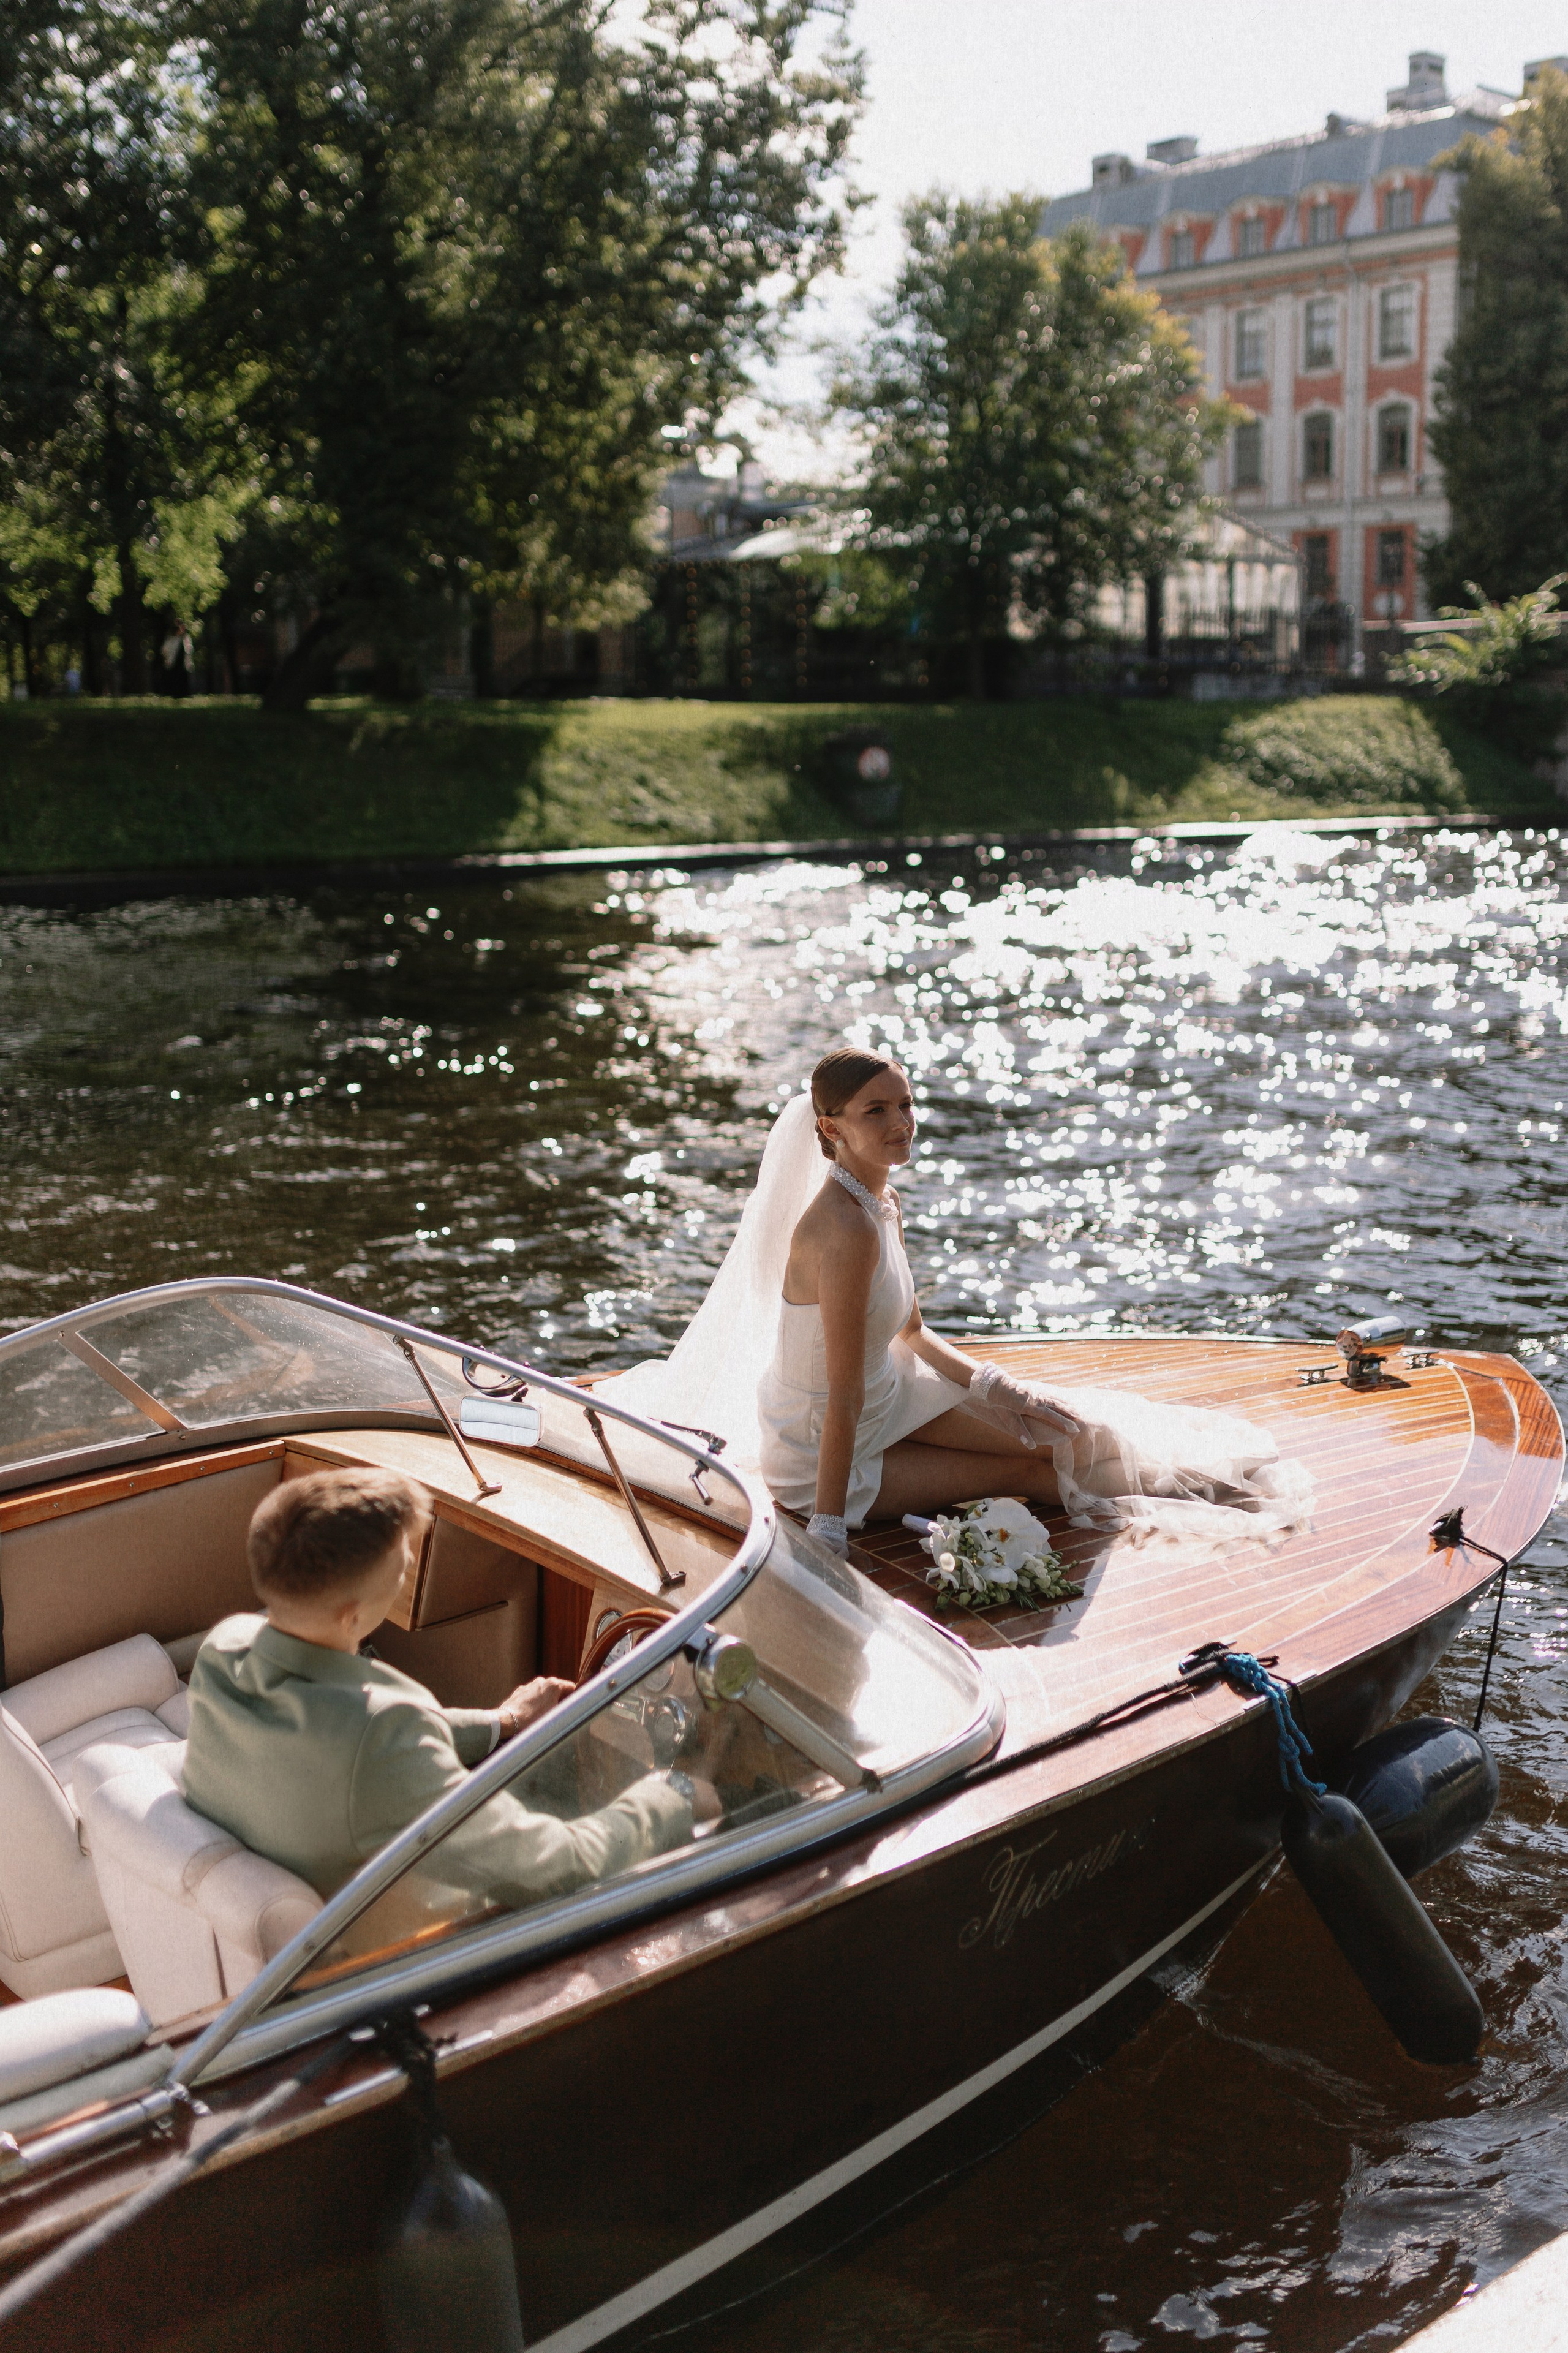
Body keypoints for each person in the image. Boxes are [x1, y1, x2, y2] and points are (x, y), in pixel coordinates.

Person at [598, 1049, 1311, 1562]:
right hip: (829, 1447)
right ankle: (1191, 1504)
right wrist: (827, 1527)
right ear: (830, 1128)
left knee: (1066, 1432)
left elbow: (910, 1330)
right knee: (1032, 1475)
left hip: (892, 1393)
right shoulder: (841, 1232)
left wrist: (999, 1387)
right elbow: (841, 1393)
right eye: (874, 1111)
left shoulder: (881, 1199)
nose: (899, 1122)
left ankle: (1200, 1484)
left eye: (905, 1104)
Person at [183, 1465, 699, 1903]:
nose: (410, 1563)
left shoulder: (224, 1648)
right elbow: (558, 1867)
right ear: (352, 1616)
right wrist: (669, 1797)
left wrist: (505, 1722)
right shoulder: (384, 1732)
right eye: (401, 1563)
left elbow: (344, 1724)